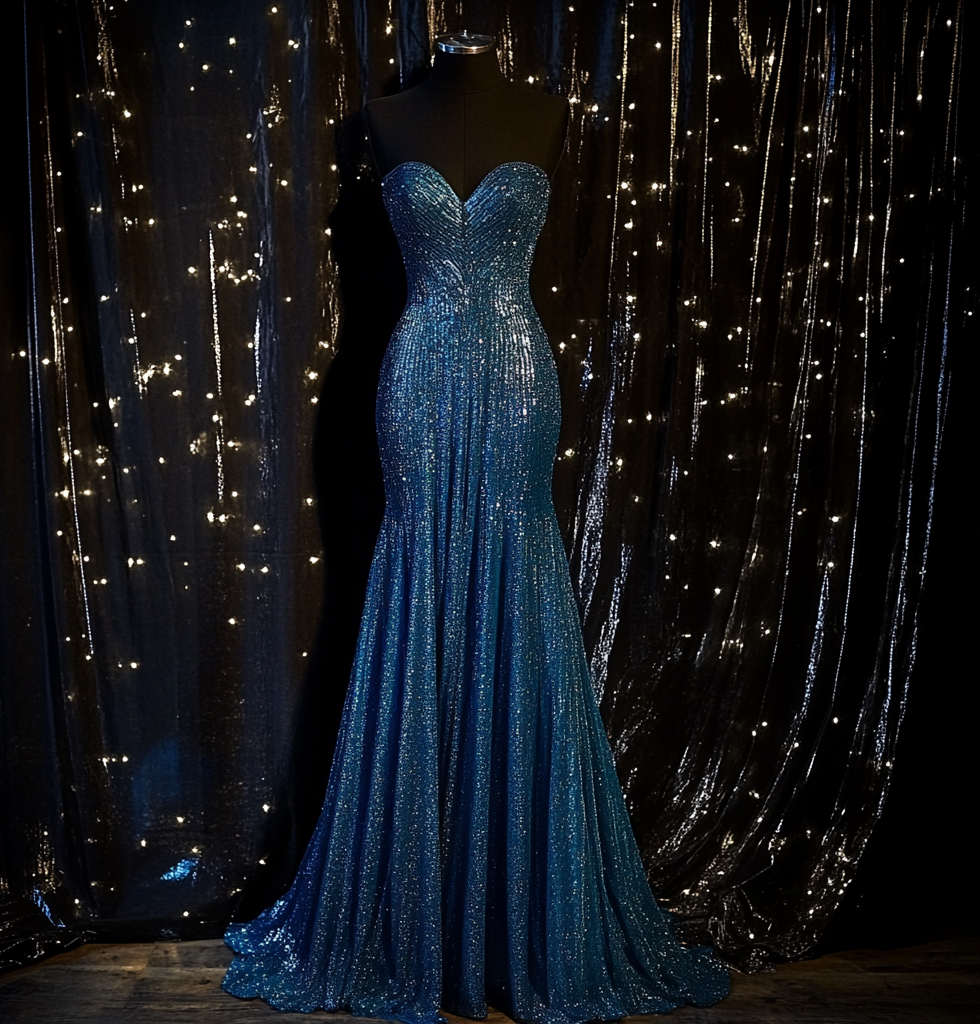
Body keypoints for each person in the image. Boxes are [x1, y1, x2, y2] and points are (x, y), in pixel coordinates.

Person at [222, 32, 731, 1023]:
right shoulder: (379, 118)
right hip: (412, 379)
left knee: (514, 581)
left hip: (513, 384)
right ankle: (409, 910)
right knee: (419, 583)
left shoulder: (545, 114)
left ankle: (519, 912)